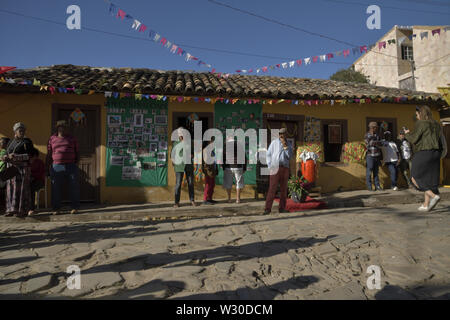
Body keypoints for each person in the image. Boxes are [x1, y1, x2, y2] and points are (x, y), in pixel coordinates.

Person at [404, 105, 442, 212]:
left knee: (414, 177)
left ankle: (433, 196)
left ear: (421, 113)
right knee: (428, 179)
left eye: (417, 114)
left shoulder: (421, 123)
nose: (416, 116)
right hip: (435, 153)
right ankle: (426, 204)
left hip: (423, 152)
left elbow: (414, 139)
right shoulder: (436, 124)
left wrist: (407, 134)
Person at [46, 120, 80, 215]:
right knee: (55, 187)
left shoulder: (72, 138)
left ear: (66, 128)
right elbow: (49, 153)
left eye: (64, 127)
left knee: (74, 186)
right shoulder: (52, 138)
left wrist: (76, 163)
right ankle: (56, 208)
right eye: (60, 127)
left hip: (71, 165)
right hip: (56, 166)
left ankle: (74, 207)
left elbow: (77, 151)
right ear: (57, 128)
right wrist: (47, 167)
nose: (62, 128)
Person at [3, 123, 34, 217]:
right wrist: (5, 156)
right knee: (11, 189)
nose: (22, 132)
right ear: (15, 132)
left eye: (23, 130)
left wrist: (16, 157)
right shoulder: (10, 142)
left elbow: (30, 156)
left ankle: (22, 210)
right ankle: (11, 209)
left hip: (23, 169)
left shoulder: (27, 142)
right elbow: (6, 153)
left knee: (21, 189)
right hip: (11, 169)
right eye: (20, 130)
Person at [264, 128, 293, 214]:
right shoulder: (274, 143)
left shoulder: (289, 144)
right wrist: (269, 166)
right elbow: (268, 154)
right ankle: (267, 209)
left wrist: (285, 147)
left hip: (285, 168)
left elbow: (289, 156)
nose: (281, 135)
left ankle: (282, 208)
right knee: (272, 188)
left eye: (283, 134)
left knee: (284, 189)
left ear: (286, 135)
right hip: (275, 167)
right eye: (280, 133)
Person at [172, 127, 196, 208]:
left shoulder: (189, 142)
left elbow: (193, 153)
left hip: (188, 165)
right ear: (178, 134)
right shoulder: (175, 143)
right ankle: (176, 202)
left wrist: (191, 155)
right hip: (179, 166)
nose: (181, 134)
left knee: (190, 183)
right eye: (180, 133)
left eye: (183, 132)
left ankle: (192, 200)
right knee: (178, 184)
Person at [223, 136, 247, 204]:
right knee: (238, 183)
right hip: (238, 166)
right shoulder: (239, 145)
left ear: (228, 138)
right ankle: (238, 199)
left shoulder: (225, 145)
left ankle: (229, 199)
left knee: (228, 183)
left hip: (228, 167)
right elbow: (244, 157)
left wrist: (224, 167)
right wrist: (244, 167)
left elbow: (223, 157)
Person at [364, 122, 383, 191]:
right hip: (370, 156)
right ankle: (369, 187)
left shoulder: (377, 135)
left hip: (377, 155)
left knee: (376, 172)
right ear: (371, 128)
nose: (376, 128)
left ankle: (377, 186)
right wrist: (375, 142)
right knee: (369, 171)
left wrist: (375, 142)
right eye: (375, 127)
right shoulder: (367, 135)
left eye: (376, 127)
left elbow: (380, 144)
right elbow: (368, 144)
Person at [28, 148, 46, 216]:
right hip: (29, 181)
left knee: (31, 188)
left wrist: (33, 176)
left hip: (39, 181)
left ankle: (31, 208)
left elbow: (41, 173)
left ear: (35, 155)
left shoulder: (40, 162)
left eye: (31, 156)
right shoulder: (27, 162)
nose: (30, 157)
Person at [202, 139, 218, 205]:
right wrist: (208, 169)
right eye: (212, 141)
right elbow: (206, 161)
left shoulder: (211, 150)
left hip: (213, 169)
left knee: (212, 184)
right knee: (208, 184)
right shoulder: (205, 150)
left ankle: (209, 198)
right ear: (208, 142)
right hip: (209, 170)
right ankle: (205, 199)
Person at [0, 137, 11, 213]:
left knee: (3, 191)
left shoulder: (7, 151)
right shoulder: (2, 151)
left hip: (4, 173)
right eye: (0, 143)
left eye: (3, 143)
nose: (1, 144)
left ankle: (3, 207)